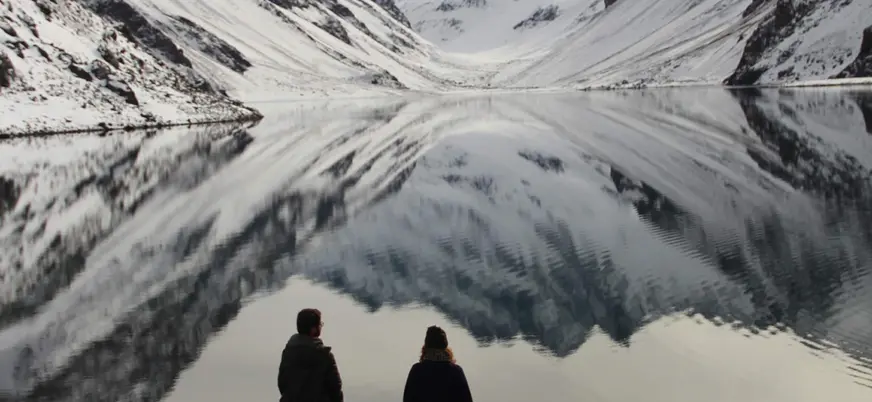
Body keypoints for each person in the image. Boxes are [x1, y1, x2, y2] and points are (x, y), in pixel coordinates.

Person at [277, 308, 343, 402]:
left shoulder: (288, 352)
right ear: (313, 329)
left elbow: (282, 383)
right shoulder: (323, 356)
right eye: (320, 324)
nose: (320, 327)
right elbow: (335, 389)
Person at [402, 325, 474, 402]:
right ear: (445, 345)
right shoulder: (456, 371)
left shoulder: (417, 370)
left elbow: (407, 399)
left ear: (426, 346)